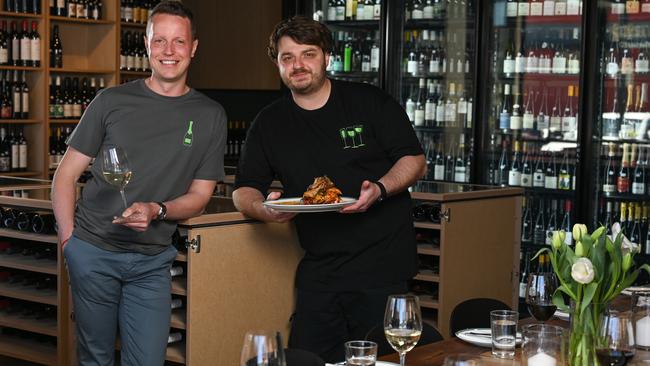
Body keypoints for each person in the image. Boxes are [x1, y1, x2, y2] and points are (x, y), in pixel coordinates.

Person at [232, 16, 426, 363]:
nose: (298, 65)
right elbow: (245, 189)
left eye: (308, 54)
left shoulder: (369, 102)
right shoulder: (270, 123)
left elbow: (413, 160)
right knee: (306, 359)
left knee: (383, 362)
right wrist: (263, 209)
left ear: (326, 57)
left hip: (381, 270)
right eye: (287, 57)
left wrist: (380, 189)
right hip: (319, 274)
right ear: (277, 63)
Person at [51, 1, 226, 365]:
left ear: (193, 48)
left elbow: (199, 196)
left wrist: (157, 210)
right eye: (159, 40)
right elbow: (64, 176)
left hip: (151, 261)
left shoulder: (210, 115)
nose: (168, 51)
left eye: (178, 42)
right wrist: (70, 243)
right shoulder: (110, 102)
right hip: (94, 252)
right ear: (146, 44)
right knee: (95, 358)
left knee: (147, 361)